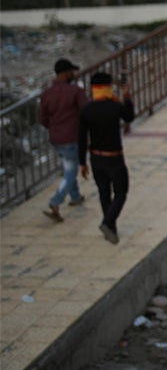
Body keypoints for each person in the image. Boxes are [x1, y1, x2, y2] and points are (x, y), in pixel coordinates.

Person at [77, 71, 135, 244]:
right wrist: (126, 94)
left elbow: (81, 138)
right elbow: (129, 116)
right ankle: (108, 222)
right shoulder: (115, 107)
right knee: (121, 192)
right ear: (108, 87)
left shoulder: (86, 110)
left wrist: (82, 162)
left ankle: (111, 229)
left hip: (96, 158)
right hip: (114, 158)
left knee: (104, 193)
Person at [40, 58, 87, 222]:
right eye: (71, 72)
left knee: (68, 166)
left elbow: (42, 119)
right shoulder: (75, 91)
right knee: (70, 171)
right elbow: (85, 112)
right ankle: (55, 201)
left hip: (55, 138)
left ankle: (75, 196)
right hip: (71, 137)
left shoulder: (47, 93)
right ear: (66, 73)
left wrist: (54, 128)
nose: (73, 74)